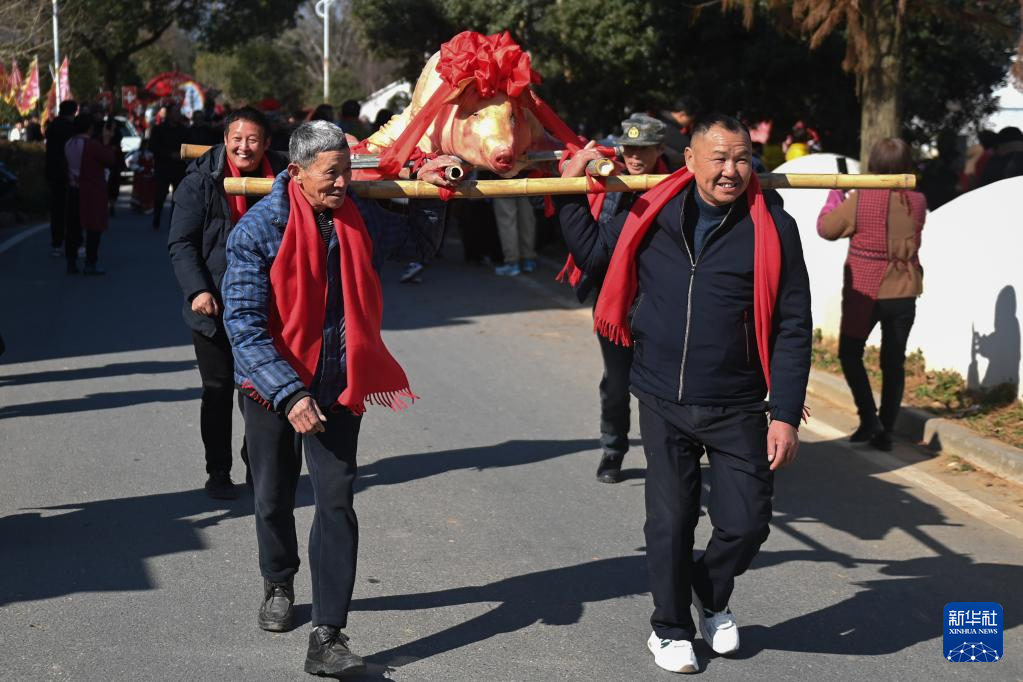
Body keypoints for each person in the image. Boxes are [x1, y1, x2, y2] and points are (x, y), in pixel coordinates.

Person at [559, 114, 811, 673]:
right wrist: (574, 194)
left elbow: (793, 322)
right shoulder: (653, 210)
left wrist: (786, 414)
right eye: (718, 158)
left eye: (742, 159)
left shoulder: (773, 226)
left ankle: (708, 588)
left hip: (740, 400)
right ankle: (669, 628)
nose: (731, 170)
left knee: (746, 523)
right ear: (690, 160)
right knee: (670, 521)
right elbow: (598, 258)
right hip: (661, 394)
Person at [221, 120, 458, 677]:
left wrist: (434, 190)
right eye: (331, 174)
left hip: (337, 385)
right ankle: (278, 580)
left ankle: (328, 633)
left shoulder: (361, 216)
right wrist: (286, 391)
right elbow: (244, 324)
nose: (341, 184)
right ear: (297, 172)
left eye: (348, 173)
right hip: (270, 388)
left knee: (336, 501)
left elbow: (420, 245)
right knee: (273, 495)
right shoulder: (259, 229)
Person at [168, 106, 289, 500]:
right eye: (236, 139)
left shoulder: (288, 177)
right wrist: (198, 290)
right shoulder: (201, 180)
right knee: (218, 389)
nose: (244, 147)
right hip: (214, 303)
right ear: (224, 140)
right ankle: (218, 470)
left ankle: (258, 467)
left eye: (253, 140)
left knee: (260, 389)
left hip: (271, 304)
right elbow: (181, 243)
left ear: (267, 144)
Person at [573, 113, 668, 484]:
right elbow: (594, 240)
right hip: (615, 297)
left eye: (644, 150)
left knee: (661, 387)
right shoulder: (608, 178)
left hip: (661, 299)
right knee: (617, 381)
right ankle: (613, 449)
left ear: (660, 150)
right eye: (629, 149)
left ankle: (667, 459)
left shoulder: (677, 183)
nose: (635, 157)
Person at [817, 137, 927, 452]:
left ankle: (869, 417)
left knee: (850, 354)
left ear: (874, 165)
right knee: (893, 363)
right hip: (904, 288)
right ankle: (885, 430)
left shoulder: (863, 198)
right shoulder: (917, 200)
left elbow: (826, 228)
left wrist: (836, 197)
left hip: (866, 289)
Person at [65, 114, 120, 274]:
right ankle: (90, 262)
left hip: (74, 188)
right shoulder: (91, 145)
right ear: (89, 128)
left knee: (73, 228)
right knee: (93, 228)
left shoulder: (69, 143)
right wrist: (107, 141)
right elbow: (110, 159)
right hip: (92, 190)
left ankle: (71, 261)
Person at [44, 100, 78, 257]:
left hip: (53, 172)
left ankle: (56, 243)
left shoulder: (52, 126)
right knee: (71, 209)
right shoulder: (71, 128)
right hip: (69, 172)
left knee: (56, 209)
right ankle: (74, 242)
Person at [149, 102, 189, 230]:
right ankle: (156, 218)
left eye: (179, 111)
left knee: (177, 198)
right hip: (163, 167)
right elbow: (153, 147)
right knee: (160, 195)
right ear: (169, 113)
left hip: (179, 168)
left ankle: (174, 223)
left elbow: (189, 145)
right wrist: (170, 154)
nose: (178, 114)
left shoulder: (183, 130)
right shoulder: (159, 129)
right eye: (175, 111)